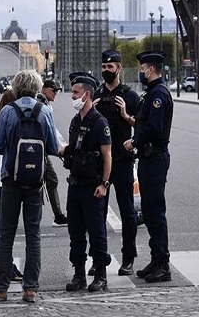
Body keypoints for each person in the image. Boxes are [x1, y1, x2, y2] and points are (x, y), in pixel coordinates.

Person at [0, 70, 59, 303]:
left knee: (6, 234)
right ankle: (30, 288)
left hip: (11, 178)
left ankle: (1, 288)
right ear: (38, 88)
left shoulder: (8, 111)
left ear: (16, 88)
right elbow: (51, 146)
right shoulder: (45, 111)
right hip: (35, 181)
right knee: (33, 234)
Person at [123, 51, 174, 283]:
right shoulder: (151, 93)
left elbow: (154, 128)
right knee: (151, 211)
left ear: (151, 70)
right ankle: (156, 259)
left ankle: (162, 263)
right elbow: (145, 123)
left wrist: (133, 141)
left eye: (143, 69)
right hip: (148, 157)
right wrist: (129, 119)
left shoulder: (158, 95)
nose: (141, 73)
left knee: (155, 211)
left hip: (154, 158)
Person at [60, 72, 112, 292]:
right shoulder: (75, 121)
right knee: (76, 233)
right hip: (76, 185)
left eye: (75, 92)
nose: (72, 96)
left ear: (87, 94)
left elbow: (107, 156)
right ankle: (79, 275)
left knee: (97, 233)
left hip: (93, 187)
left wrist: (104, 184)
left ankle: (100, 275)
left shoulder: (99, 122)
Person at [93, 49, 140, 276]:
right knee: (97, 213)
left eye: (110, 67)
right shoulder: (97, 94)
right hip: (100, 163)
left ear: (119, 68)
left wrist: (125, 115)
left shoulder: (129, 96)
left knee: (127, 211)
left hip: (121, 161)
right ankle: (98, 258)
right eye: (103, 67)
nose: (106, 70)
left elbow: (141, 125)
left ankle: (128, 258)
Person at [0, 89, 23, 283]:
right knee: (5, 229)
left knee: (5, 228)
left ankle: (7, 265)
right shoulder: (9, 120)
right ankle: (4, 268)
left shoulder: (1, 120)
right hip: (4, 179)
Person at [37, 79, 68, 227]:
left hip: (38, 150)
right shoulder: (42, 105)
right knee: (49, 180)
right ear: (44, 89)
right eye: (53, 90)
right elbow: (47, 132)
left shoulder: (44, 104)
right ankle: (58, 215)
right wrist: (57, 150)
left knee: (48, 180)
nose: (56, 93)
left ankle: (58, 215)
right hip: (39, 151)